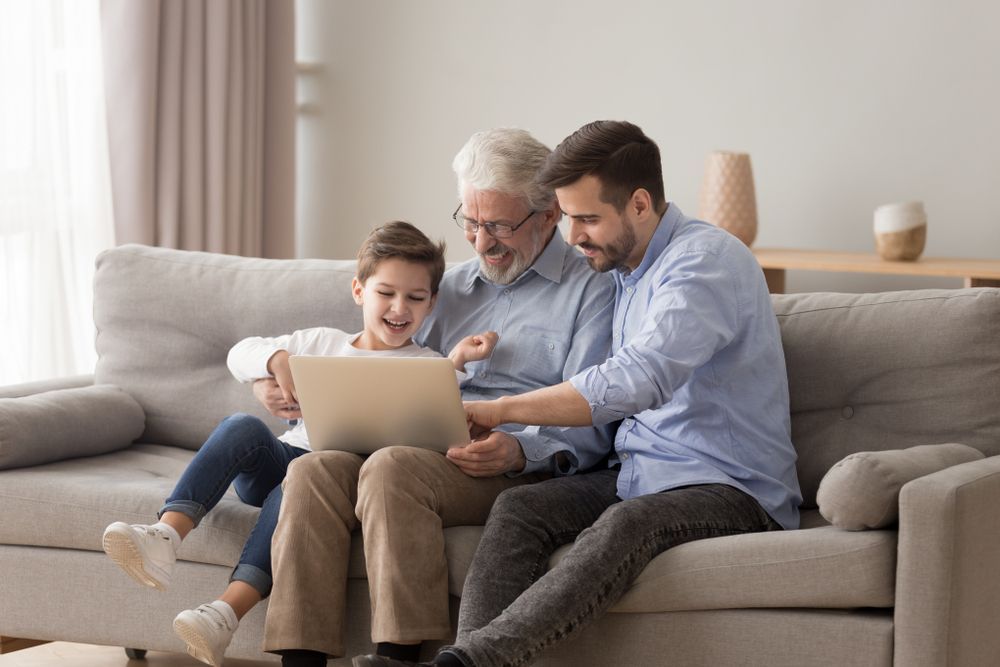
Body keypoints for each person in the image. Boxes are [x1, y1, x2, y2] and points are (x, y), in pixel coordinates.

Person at [353, 120, 803, 667]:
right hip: (638, 472)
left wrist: (499, 410)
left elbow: (637, 378)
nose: (572, 236)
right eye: (568, 217)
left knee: (626, 525)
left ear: (640, 204)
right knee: (521, 508)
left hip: (730, 486)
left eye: (587, 219)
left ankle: (465, 663)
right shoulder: (625, 271)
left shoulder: (703, 263)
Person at [259, 128, 616, 667]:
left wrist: (519, 450)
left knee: (393, 468)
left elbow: (594, 415)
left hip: (505, 465)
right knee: (312, 469)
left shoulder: (592, 291)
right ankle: (299, 660)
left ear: (549, 216)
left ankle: (398, 658)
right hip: (412, 443)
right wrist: (278, 374)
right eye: (470, 222)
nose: (481, 242)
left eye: (498, 226)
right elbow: (377, 357)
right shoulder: (447, 288)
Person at [101, 221, 498, 667]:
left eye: (415, 298)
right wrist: (275, 362)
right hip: (287, 455)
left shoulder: (428, 364)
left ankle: (224, 612)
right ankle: (167, 533)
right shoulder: (319, 342)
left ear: (432, 303)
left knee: (299, 486)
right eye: (386, 293)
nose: (399, 307)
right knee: (241, 426)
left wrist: (455, 365)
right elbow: (240, 353)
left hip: (336, 481)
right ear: (359, 291)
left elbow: (437, 429)